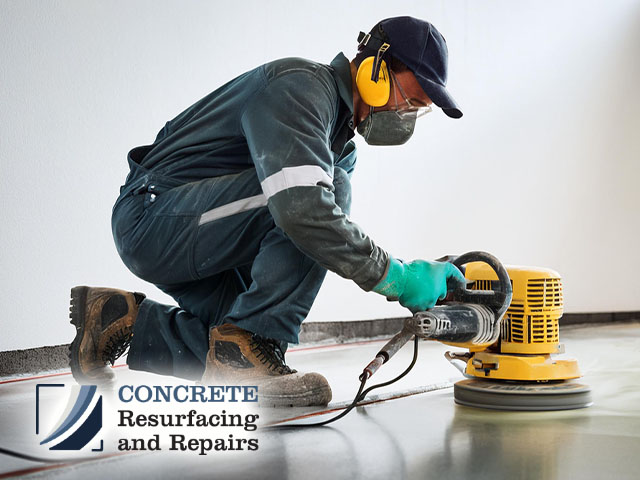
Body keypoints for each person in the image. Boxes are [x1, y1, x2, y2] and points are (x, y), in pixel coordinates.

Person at [68, 16, 465, 407]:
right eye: (410, 100)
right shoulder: (301, 87)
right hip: (155, 217)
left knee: (239, 344)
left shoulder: (340, 148)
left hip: (208, 233)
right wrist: (397, 276)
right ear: (376, 70)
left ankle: (117, 321)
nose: (407, 116)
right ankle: (243, 352)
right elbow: (303, 209)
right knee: (317, 199)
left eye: (418, 110)